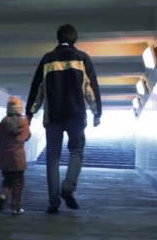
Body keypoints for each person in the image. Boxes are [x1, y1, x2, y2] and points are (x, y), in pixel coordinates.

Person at [26, 24, 102, 214]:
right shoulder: (83, 58)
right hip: (76, 115)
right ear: (75, 39)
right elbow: (90, 88)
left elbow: (38, 89)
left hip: (53, 116)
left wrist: (29, 113)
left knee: (53, 158)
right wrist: (96, 111)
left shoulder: (47, 59)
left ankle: (53, 202)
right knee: (76, 151)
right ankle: (68, 187)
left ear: (58, 38)